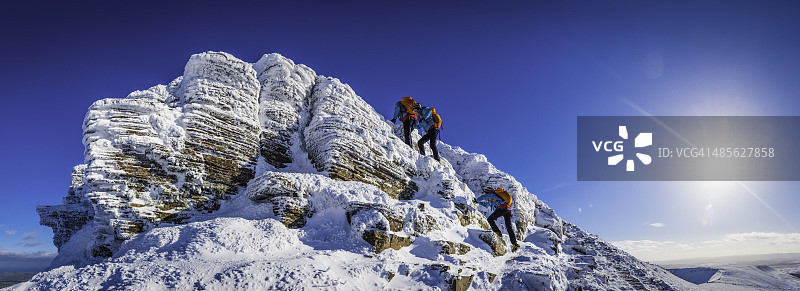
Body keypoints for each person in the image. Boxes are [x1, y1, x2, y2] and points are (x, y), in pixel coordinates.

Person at [476, 187, 520, 252]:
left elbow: (482, 198)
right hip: (507, 209)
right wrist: (479, 203)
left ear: (488, 192)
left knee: (490, 219)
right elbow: (486, 204)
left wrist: (476, 200)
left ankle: (498, 232)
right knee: (509, 227)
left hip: (502, 208)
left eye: (485, 192)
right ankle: (515, 244)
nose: (484, 193)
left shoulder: (491, 194)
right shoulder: (493, 198)